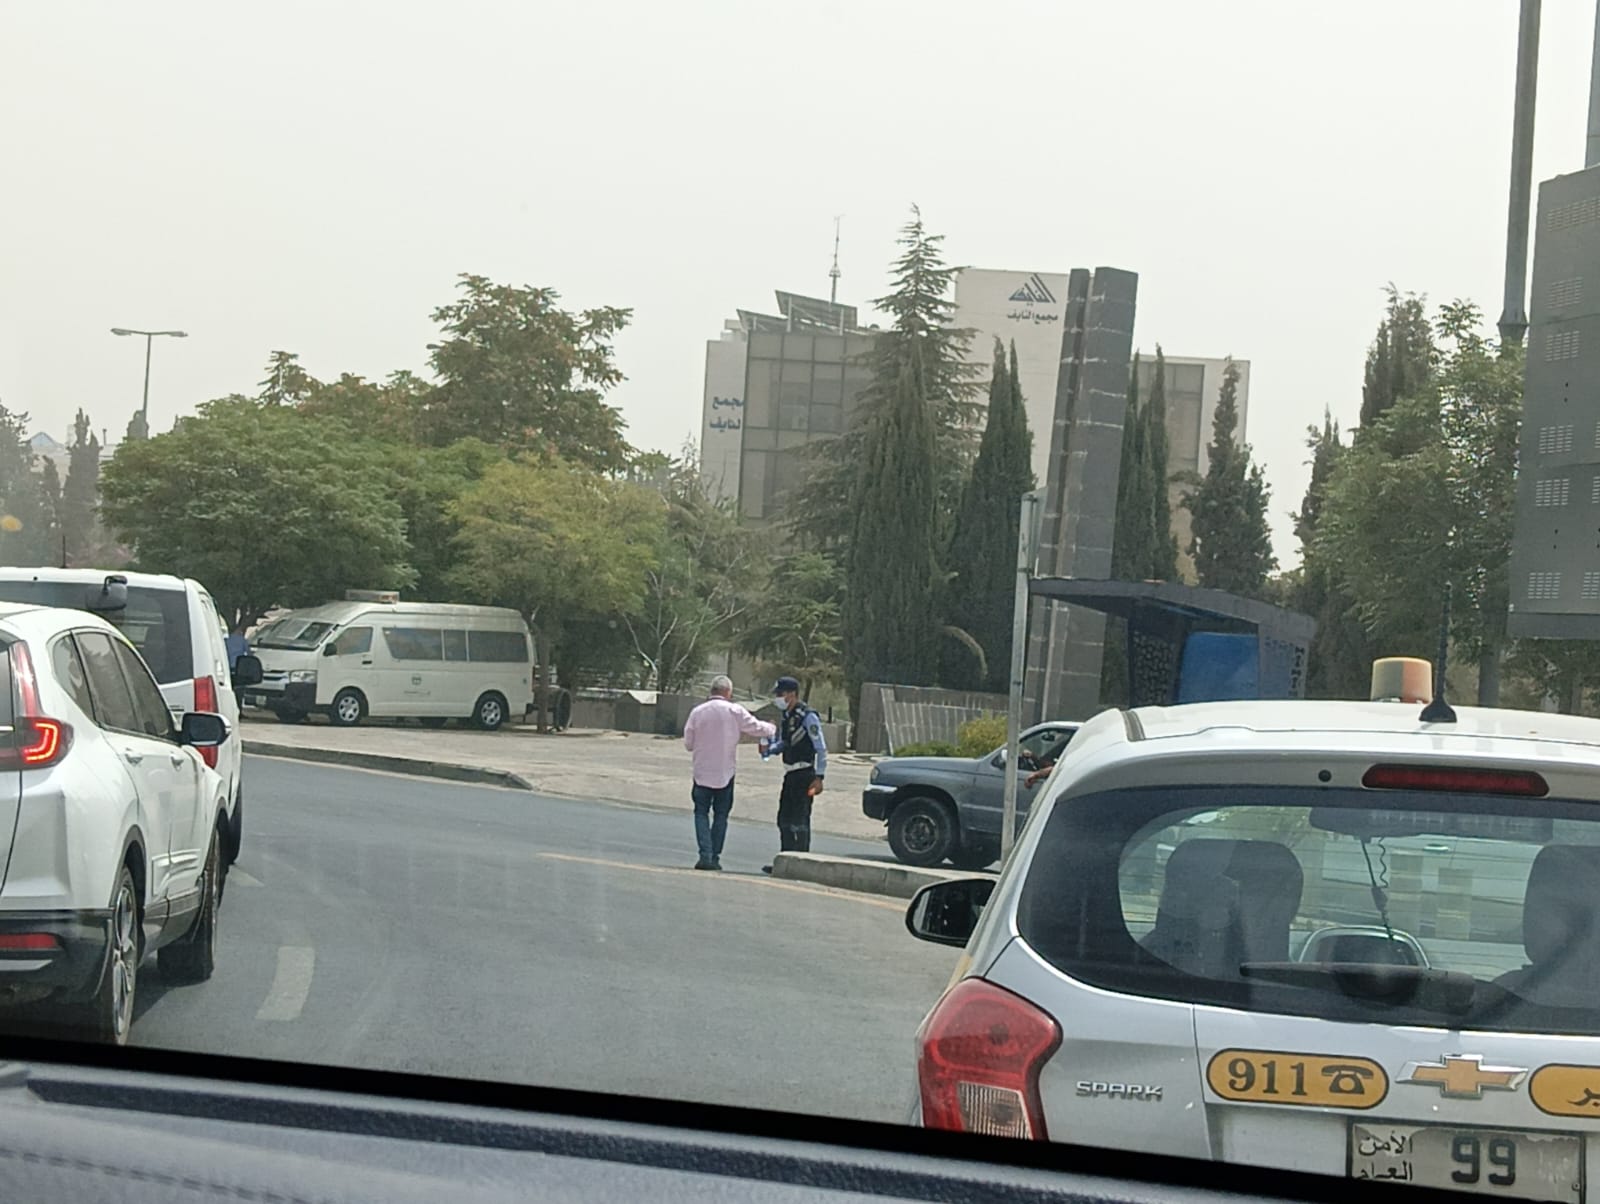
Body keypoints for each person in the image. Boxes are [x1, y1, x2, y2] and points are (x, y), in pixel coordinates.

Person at [682, 676, 776, 871]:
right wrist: (772, 728)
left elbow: (688, 744)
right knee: (721, 816)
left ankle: (704, 855)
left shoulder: (697, 712)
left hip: (701, 772)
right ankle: (714, 857)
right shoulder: (735, 710)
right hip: (725, 772)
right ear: (728, 692)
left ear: (712, 690)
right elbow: (756, 727)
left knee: (700, 813)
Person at [759, 676, 826, 874]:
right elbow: (785, 742)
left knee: (800, 820)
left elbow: (821, 748)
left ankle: (801, 864)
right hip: (790, 774)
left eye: (781, 694)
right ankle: (785, 862)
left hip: (805, 774)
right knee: (784, 820)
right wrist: (769, 750)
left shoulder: (808, 716)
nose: (778, 698)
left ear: (792, 694)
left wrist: (819, 777)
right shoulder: (787, 716)